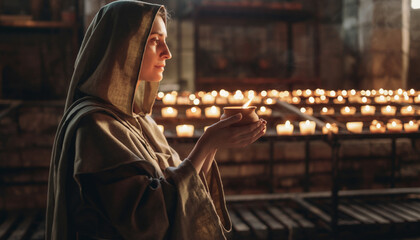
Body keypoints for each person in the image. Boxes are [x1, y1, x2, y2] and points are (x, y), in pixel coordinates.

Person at [46, 1, 267, 239]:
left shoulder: (139, 120)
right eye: (154, 40)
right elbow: (145, 219)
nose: (167, 52)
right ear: (123, 47)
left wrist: (213, 145)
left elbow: (177, 184)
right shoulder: (94, 126)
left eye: (165, 40)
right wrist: (207, 143)